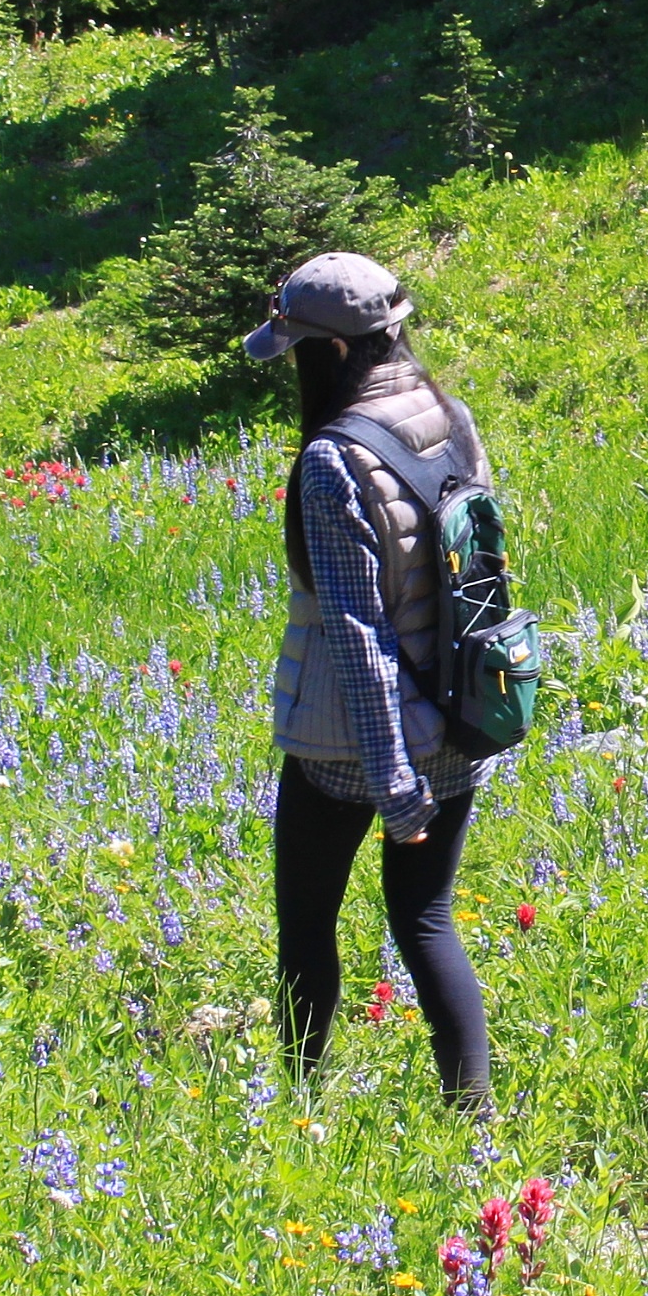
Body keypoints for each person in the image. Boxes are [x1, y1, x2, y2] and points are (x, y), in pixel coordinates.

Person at [243, 251, 497, 1112]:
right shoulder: (451, 416)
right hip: (461, 717)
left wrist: (392, 784)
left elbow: (356, 637)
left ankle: (300, 1108)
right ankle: (473, 1124)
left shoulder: (331, 460)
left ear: (333, 352)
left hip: (348, 745)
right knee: (426, 922)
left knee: (307, 926)